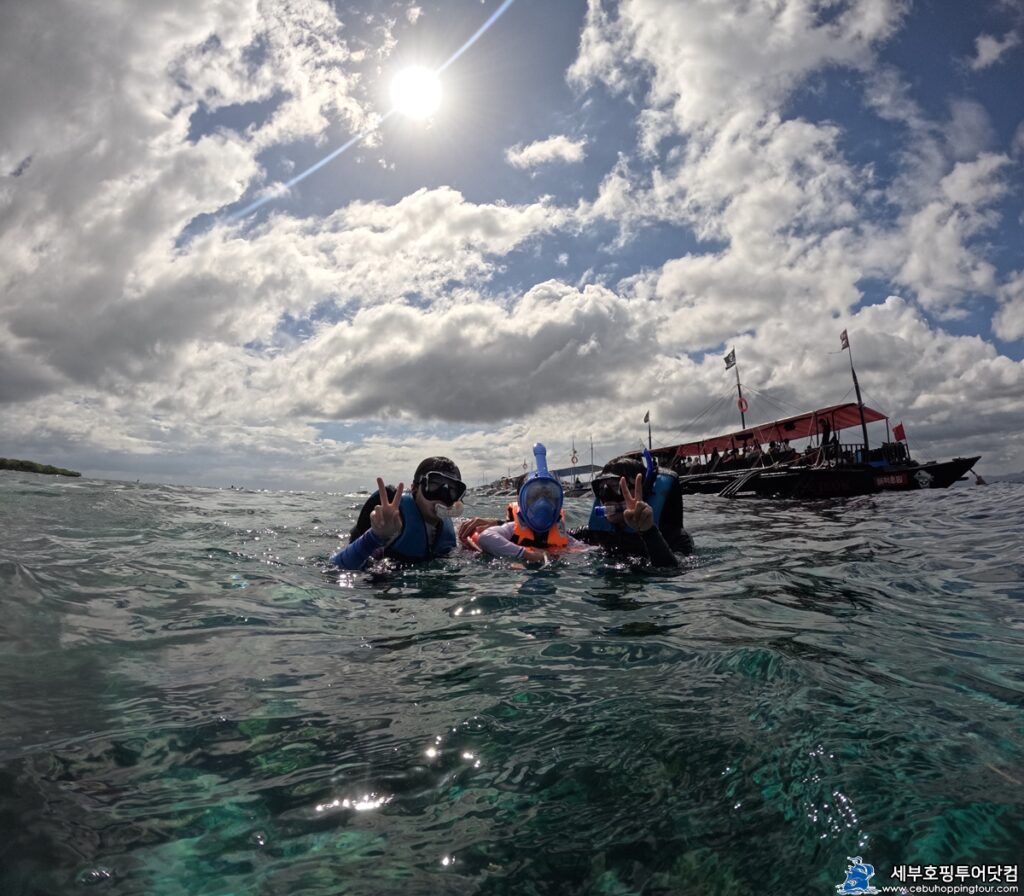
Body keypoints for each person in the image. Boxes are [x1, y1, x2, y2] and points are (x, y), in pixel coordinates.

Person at [459, 451, 692, 569]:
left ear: (645, 491)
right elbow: (542, 533)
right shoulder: (593, 533)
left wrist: (648, 531)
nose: (607, 498)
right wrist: (500, 523)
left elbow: (672, 573)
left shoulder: (675, 537)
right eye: (602, 489)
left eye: (617, 489)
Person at [330, 456, 466, 570]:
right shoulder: (394, 521)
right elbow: (335, 568)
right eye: (434, 485)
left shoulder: (453, 529)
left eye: (452, 490)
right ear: (415, 488)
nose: (442, 497)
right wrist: (377, 536)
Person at [471, 443, 588, 564]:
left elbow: (587, 550)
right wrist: (525, 554)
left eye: (549, 496)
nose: (543, 504)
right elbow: (485, 537)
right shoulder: (511, 529)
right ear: (521, 502)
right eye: (534, 496)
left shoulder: (563, 536)